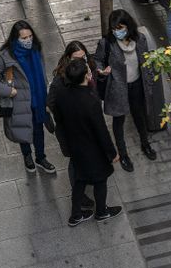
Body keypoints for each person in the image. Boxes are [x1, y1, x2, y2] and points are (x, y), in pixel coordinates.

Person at [51, 59, 122, 225]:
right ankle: (102, 211)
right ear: (85, 77)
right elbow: (101, 130)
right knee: (101, 180)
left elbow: (59, 119)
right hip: (92, 149)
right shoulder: (90, 101)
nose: (91, 74)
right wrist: (112, 153)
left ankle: (76, 215)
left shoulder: (62, 94)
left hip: (75, 146)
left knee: (79, 180)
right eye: (89, 72)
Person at [0, 20, 57, 174]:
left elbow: (42, 71)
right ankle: (27, 157)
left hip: (39, 98)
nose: (28, 40)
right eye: (24, 38)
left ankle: (41, 157)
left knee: (38, 130)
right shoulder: (7, 57)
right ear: (15, 39)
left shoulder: (37, 49)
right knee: (23, 130)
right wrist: (7, 91)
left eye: (30, 36)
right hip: (20, 103)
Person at [94, 9, 160, 173]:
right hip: (118, 88)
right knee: (119, 121)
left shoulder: (140, 39)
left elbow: (147, 61)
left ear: (128, 26)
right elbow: (97, 60)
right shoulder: (106, 43)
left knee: (139, 115)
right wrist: (101, 70)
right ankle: (123, 154)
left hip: (137, 85)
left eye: (120, 27)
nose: (117, 31)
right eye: (114, 28)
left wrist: (150, 80)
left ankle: (145, 144)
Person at [47, 41, 99, 212]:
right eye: (77, 58)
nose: (82, 61)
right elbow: (51, 104)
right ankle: (79, 194)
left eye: (84, 57)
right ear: (68, 59)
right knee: (75, 161)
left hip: (87, 124)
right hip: (71, 129)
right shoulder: (60, 81)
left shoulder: (88, 68)